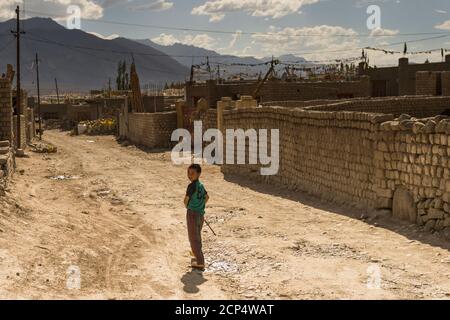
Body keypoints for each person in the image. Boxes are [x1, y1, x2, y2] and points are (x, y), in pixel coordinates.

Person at [184, 164, 209, 270]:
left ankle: (200, 262)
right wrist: (200, 206)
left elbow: (186, 200)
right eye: (188, 173)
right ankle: (196, 254)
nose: (190, 175)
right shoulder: (201, 185)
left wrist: (188, 206)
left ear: (198, 174)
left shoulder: (191, 186)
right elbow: (207, 197)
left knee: (193, 238)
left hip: (192, 214)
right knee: (197, 235)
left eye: (192, 173)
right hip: (200, 214)